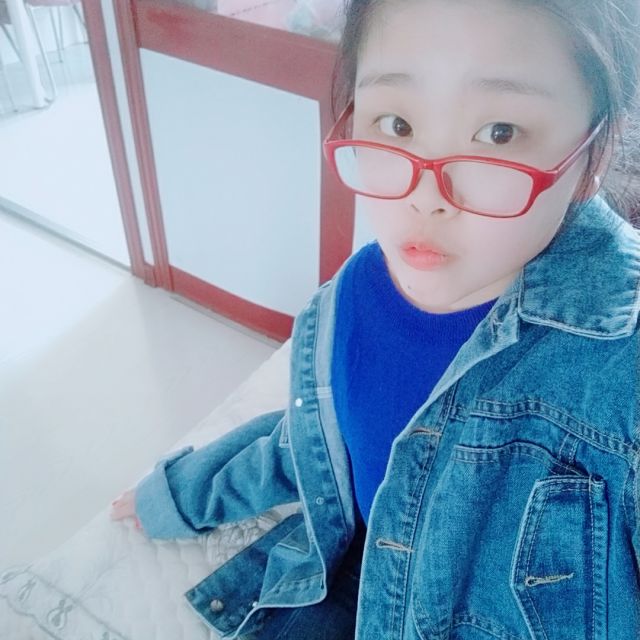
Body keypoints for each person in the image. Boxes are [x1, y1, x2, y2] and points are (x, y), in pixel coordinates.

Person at [112, 1, 640, 638]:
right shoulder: (353, 294)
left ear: (594, 152)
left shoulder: (623, 373)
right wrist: (179, 495)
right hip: (352, 579)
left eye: (499, 132)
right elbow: (318, 438)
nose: (427, 197)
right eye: (397, 123)